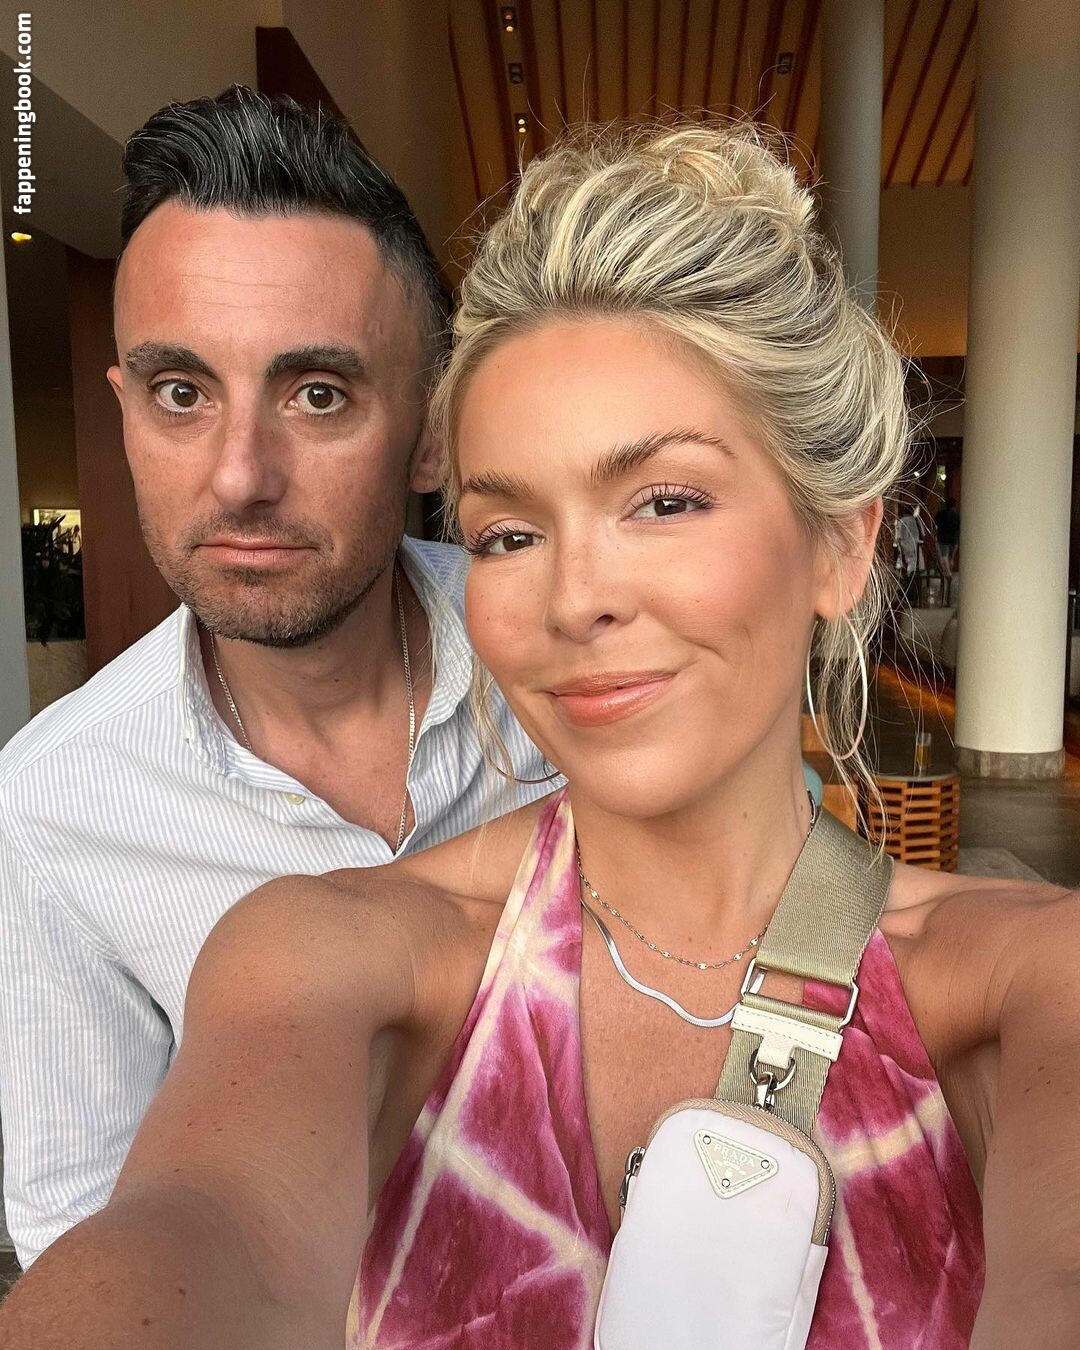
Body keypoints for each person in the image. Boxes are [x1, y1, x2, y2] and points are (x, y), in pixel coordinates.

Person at [4, 122, 1077, 1350]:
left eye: (663, 501)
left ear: (838, 543)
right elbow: (194, 1225)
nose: (573, 600)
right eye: (509, 534)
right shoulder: (316, 951)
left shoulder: (1030, 982)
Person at [0, 87, 555, 1269]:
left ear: (431, 433)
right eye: (181, 394)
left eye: (317, 395)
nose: (240, 476)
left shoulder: (569, 654)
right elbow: (84, 1230)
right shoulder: (54, 807)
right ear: (127, 411)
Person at [936, 495, 961, 574]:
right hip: (954, 539)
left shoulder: (940, 514)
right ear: (954, 505)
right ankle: (950, 565)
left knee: (944, 556)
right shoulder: (956, 515)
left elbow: (935, 524)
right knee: (950, 557)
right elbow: (958, 527)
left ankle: (948, 573)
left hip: (943, 539)